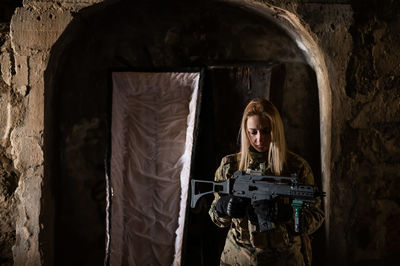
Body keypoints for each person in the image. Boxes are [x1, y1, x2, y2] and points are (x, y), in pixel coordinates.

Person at [208, 98, 324, 266]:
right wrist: (223, 207)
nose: (259, 139)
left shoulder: (296, 167)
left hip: (285, 259)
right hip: (239, 258)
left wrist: (289, 214)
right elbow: (216, 216)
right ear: (245, 131)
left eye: (266, 131)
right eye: (253, 132)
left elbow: (316, 216)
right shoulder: (229, 166)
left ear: (275, 130)